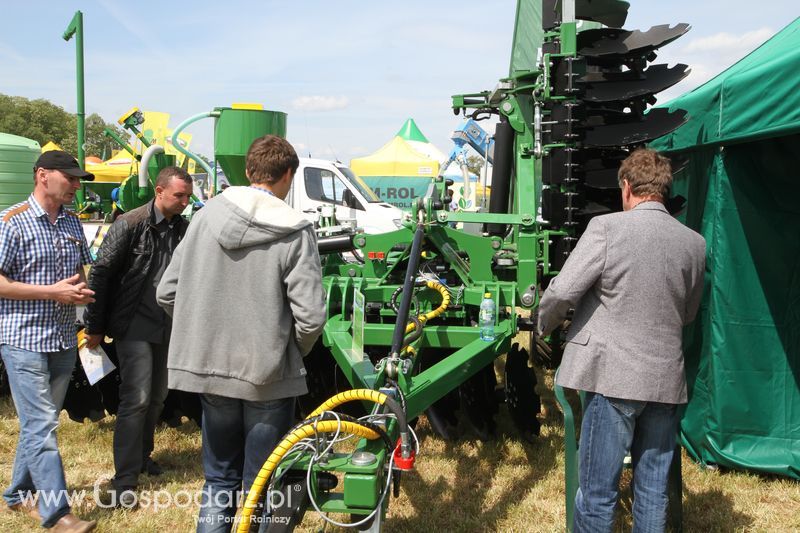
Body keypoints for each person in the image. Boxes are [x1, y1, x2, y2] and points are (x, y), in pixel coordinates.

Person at [156, 135, 326, 532]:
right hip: (269, 378)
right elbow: (311, 317)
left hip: (210, 370)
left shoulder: (203, 217)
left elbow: (167, 291)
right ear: (288, 175)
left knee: (218, 482)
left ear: (248, 171)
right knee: (261, 487)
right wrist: (288, 351)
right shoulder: (295, 230)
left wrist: (202, 329)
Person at [538, 148, 706, 533]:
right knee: (652, 493)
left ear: (627, 187)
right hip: (665, 381)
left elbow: (563, 292)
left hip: (613, 379)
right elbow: (689, 313)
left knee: (598, 493)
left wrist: (542, 325)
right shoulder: (694, 243)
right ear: (664, 189)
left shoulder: (607, 228)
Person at [83, 166, 193, 506]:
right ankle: (125, 478)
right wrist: (95, 326)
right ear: (159, 192)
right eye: (179, 195)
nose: (185, 202)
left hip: (167, 325)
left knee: (158, 396)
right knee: (138, 396)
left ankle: (143, 457)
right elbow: (100, 274)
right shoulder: (129, 224)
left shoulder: (185, 229)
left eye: (188, 196)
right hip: (133, 325)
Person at [0, 150, 97, 532]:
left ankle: (16, 495)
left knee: (39, 424)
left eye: (78, 179)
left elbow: (79, 274)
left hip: (61, 339)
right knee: (42, 425)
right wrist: (51, 293)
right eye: (70, 178)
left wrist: (82, 292)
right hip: (22, 339)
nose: (76, 185)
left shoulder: (73, 223)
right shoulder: (12, 222)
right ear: (43, 175)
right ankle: (57, 514)